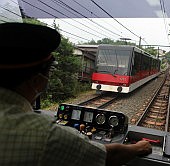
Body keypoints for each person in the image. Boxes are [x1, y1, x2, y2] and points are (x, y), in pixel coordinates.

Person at [0, 22, 152, 166]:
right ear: (36, 80)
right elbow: (108, 157)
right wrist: (138, 147)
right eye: (49, 71)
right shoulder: (47, 135)